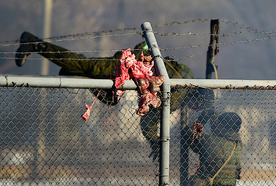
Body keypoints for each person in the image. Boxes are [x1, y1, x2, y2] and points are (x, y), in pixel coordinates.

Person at [14, 31, 214, 161]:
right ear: (196, 99)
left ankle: (77, 73)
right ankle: (33, 43)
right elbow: (149, 120)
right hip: (127, 66)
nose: (194, 110)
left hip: (130, 73)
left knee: (109, 98)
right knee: (85, 64)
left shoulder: (187, 76)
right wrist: (155, 141)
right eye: (198, 106)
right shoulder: (178, 95)